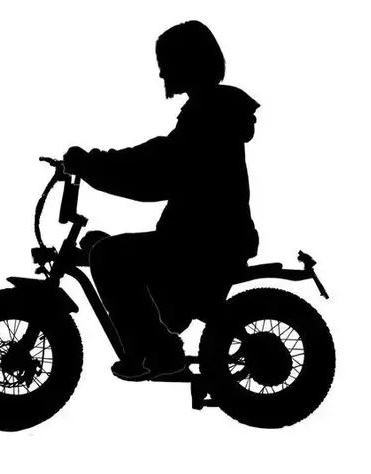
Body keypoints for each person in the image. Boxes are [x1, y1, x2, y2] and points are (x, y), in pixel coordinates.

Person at [64, 20, 259, 380]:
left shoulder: (210, 113)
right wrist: (97, 166)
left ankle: (161, 352)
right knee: (99, 246)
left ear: (187, 62)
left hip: (205, 242)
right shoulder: (211, 110)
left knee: (107, 255)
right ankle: (153, 343)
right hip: (203, 239)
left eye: (166, 62)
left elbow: (160, 168)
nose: (161, 73)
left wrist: (92, 165)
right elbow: (161, 162)